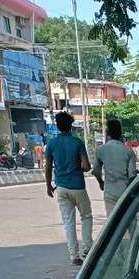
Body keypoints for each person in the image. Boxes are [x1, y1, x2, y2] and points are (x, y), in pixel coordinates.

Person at [45, 111, 92, 266]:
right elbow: (87, 166)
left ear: (58, 126)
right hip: (78, 186)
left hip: (61, 187)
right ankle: (87, 248)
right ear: (71, 125)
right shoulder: (77, 142)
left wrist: (48, 186)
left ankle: (74, 256)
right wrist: (79, 167)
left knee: (68, 222)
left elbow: (48, 167)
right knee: (86, 216)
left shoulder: (51, 144)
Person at [92, 118, 138, 217]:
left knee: (112, 219)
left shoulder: (100, 150)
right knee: (127, 220)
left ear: (108, 132)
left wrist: (101, 183)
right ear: (121, 133)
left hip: (109, 192)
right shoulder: (129, 152)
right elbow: (132, 176)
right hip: (125, 192)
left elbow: (96, 171)